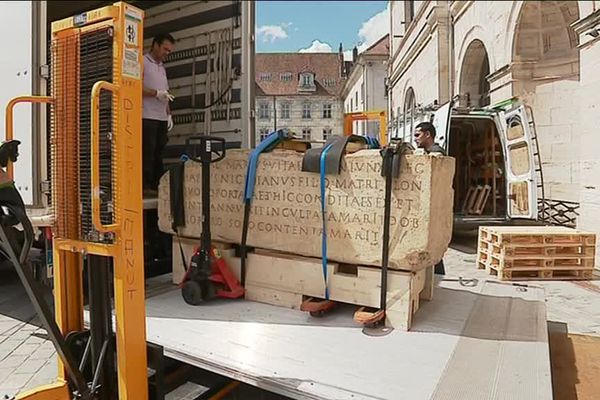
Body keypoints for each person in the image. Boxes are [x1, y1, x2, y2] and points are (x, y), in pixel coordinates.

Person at [142, 33, 175, 196]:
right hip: (146, 116)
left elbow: (166, 93)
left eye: (169, 51)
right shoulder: (142, 62)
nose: (166, 53)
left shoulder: (162, 68)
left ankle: (157, 185)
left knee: (159, 151)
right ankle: (145, 185)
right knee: (147, 151)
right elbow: (135, 87)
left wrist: (169, 114)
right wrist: (155, 93)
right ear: (155, 45)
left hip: (161, 116)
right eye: (165, 49)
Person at [414, 121, 447, 275]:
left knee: (432, 245)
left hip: (435, 209)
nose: (415, 139)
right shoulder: (427, 152)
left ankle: (438, 276)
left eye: (417, 135)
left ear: (428, 135)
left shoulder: (436, 153)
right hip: (428, 207)